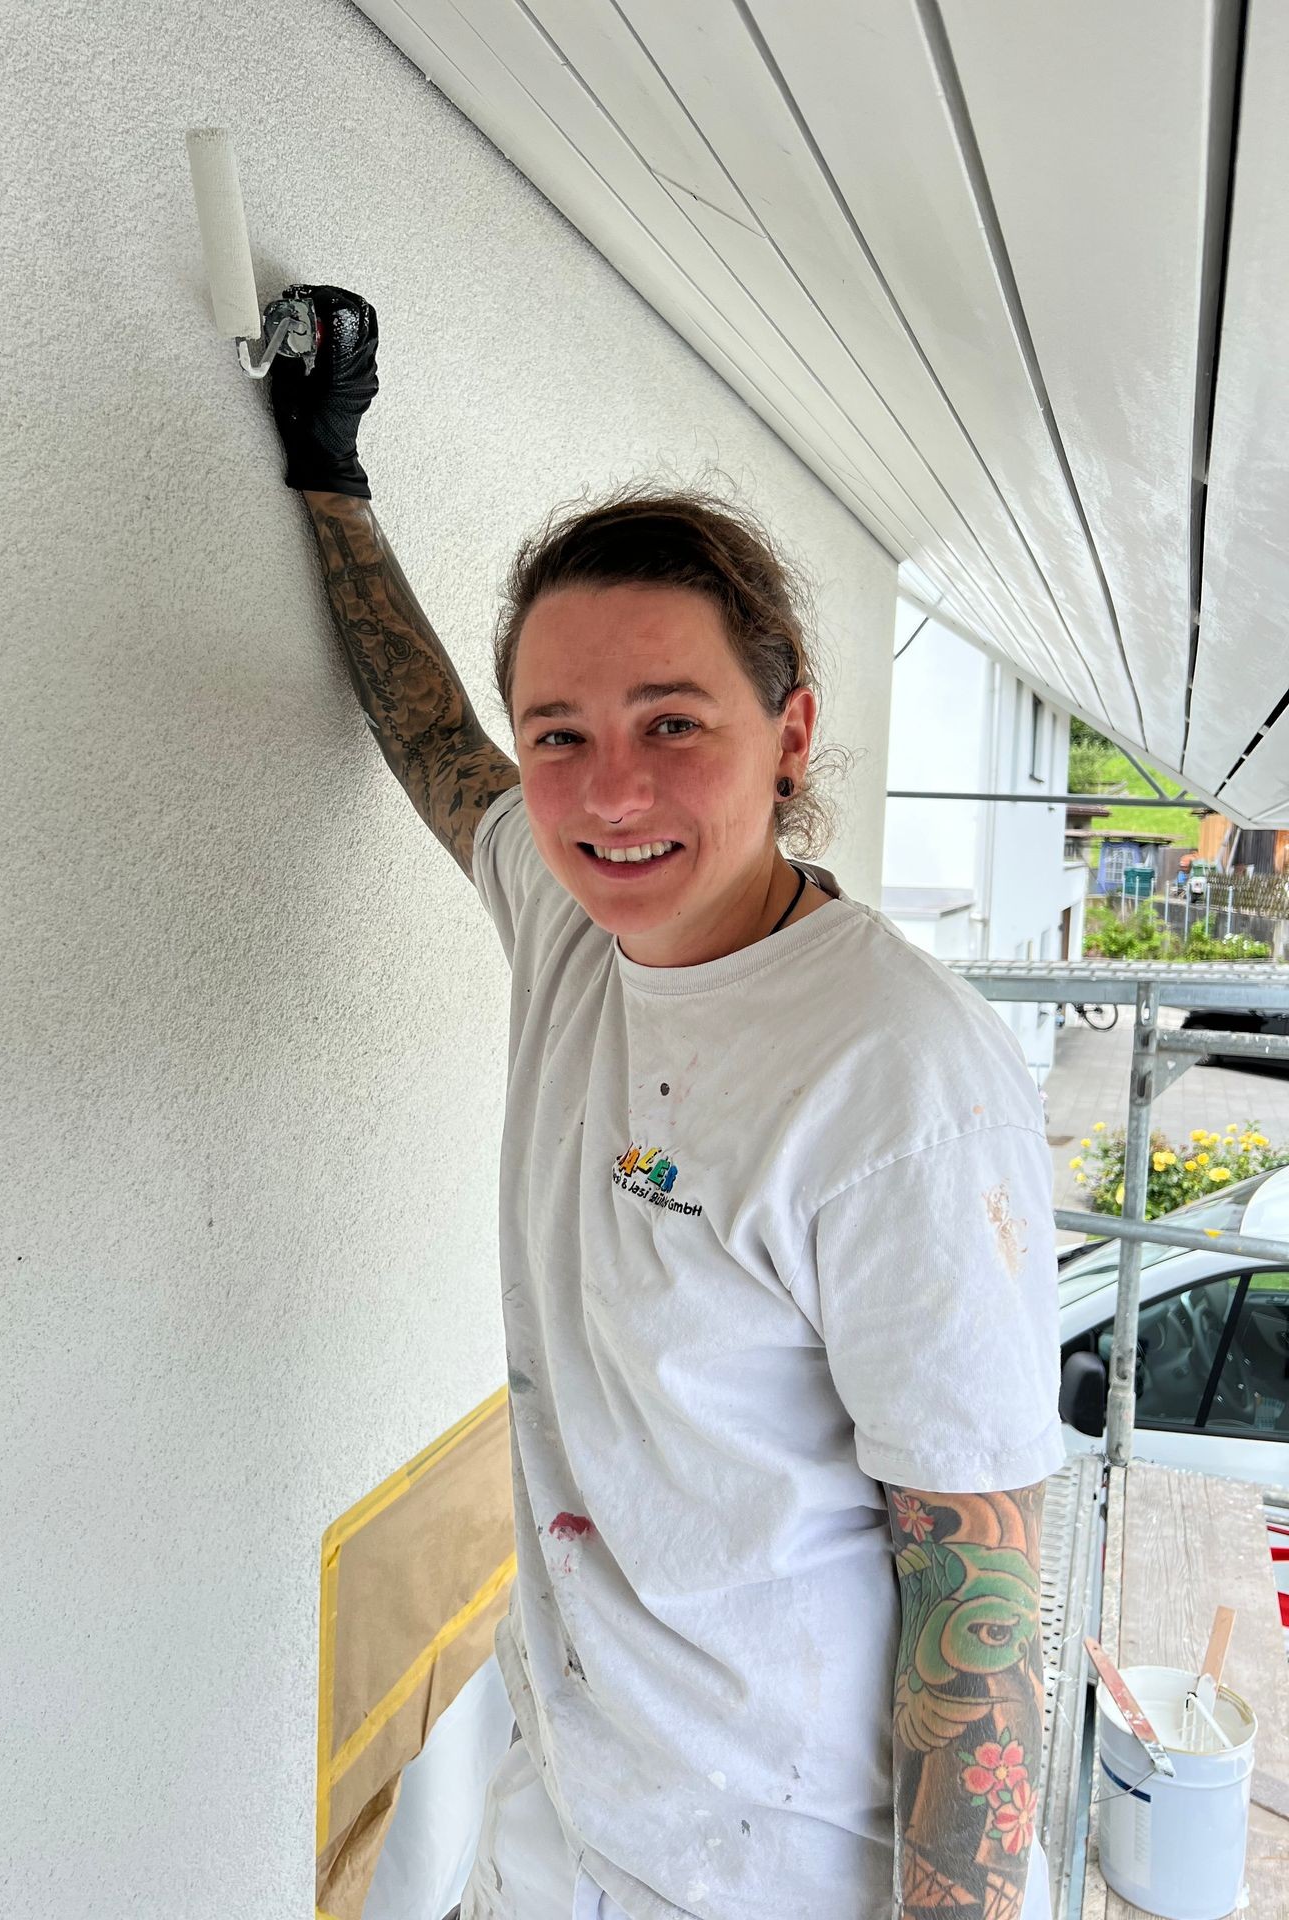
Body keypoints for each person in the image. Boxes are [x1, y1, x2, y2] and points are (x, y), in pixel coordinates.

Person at [270, 289, 1063, 1920]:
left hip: (772, 1880)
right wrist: (326, 473)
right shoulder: (574, 927)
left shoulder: (896, 1076)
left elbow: (975, 1602)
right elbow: (435, 736)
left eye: (673, 725)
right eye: (561, 732)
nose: (608, 791)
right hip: (561, 1833)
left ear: (791, 736)